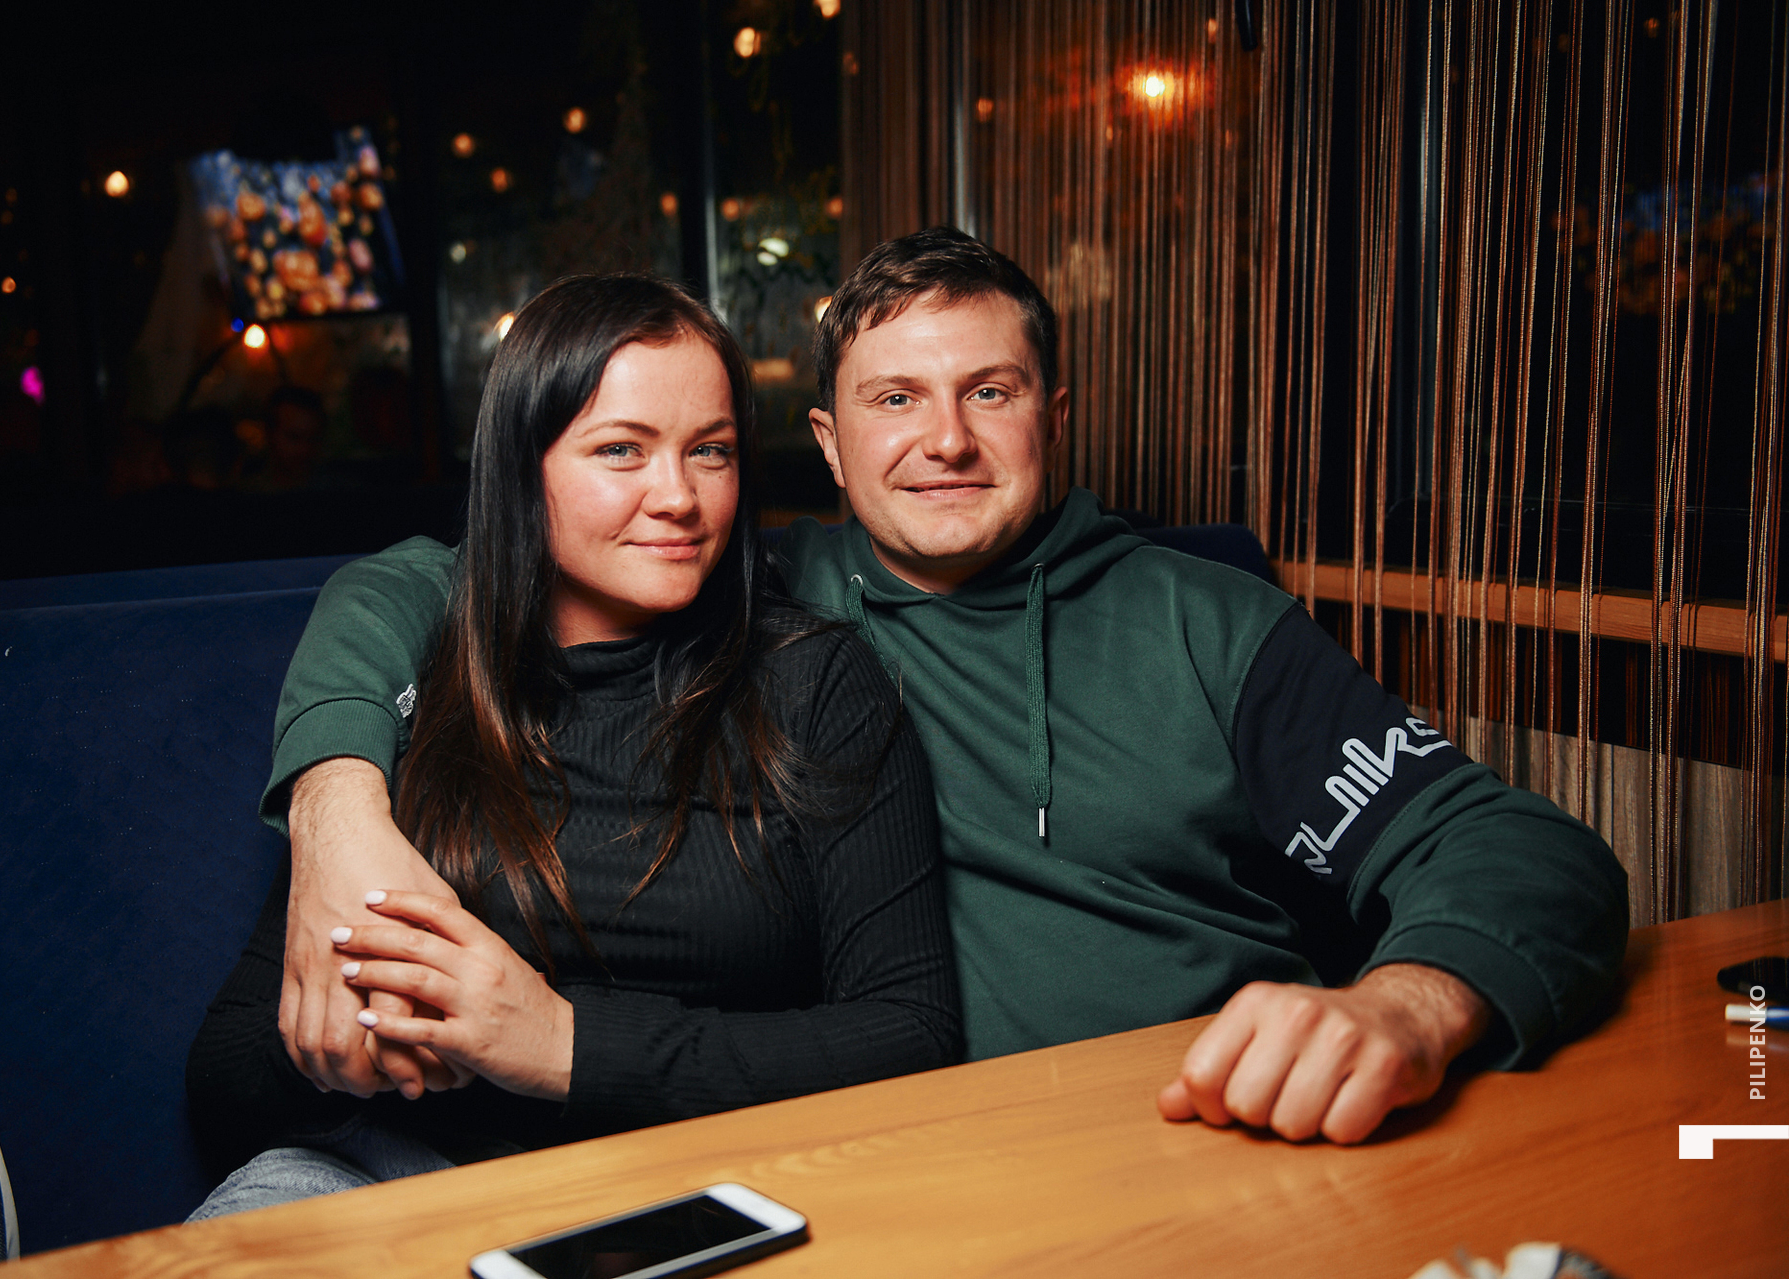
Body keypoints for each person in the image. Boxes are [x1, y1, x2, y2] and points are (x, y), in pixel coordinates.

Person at [264, 230, 1629, 1148]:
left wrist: (1403, 1005)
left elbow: (1519, 849)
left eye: (991, 390)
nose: (947, 441)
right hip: (914, 1149)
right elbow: (422, 581)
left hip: (1217, 1126)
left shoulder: (1205, 622)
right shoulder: (755, 599)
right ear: (828, 443)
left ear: (1053, 416)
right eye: (895, 400)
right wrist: (336, 809)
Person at [185, 274, 959, 1214]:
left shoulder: (816, 682)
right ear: (524, 469)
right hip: (409, 1176)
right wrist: (361, 1044)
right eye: (621, 449)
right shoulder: (418, 682)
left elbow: (913, 1034)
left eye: (709, 451)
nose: (677, 496)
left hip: (722, 1181)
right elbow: (223, 1076)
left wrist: (560, 1043)